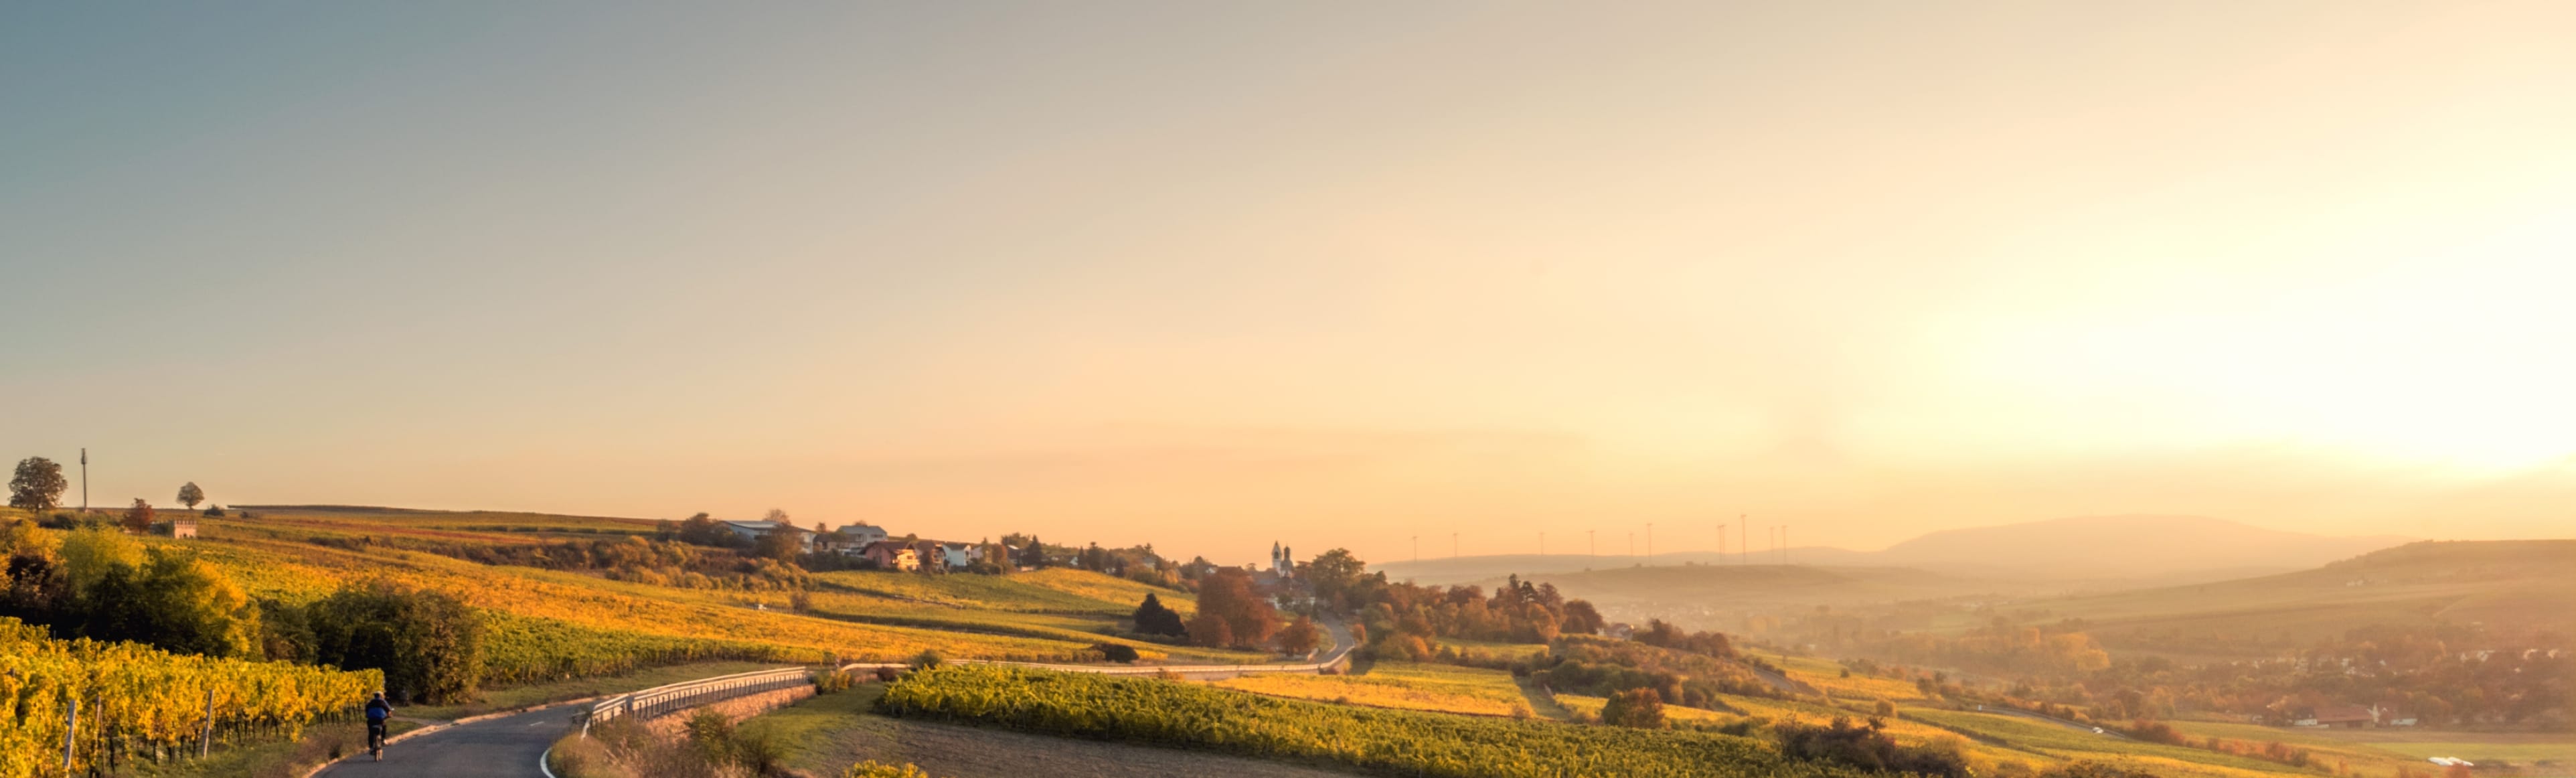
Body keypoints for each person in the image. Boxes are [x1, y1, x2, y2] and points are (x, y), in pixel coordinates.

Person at [364, 692, 394, 758]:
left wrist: (367, 715)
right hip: (380, 719)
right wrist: (389, 715)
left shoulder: (370, 703)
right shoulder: (382, 702)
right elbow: (388, 710)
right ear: (380, 696)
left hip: (371, 719)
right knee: (384, 726)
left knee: (371, 733)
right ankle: (383, 739)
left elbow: (366, 711)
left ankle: (371, 747)